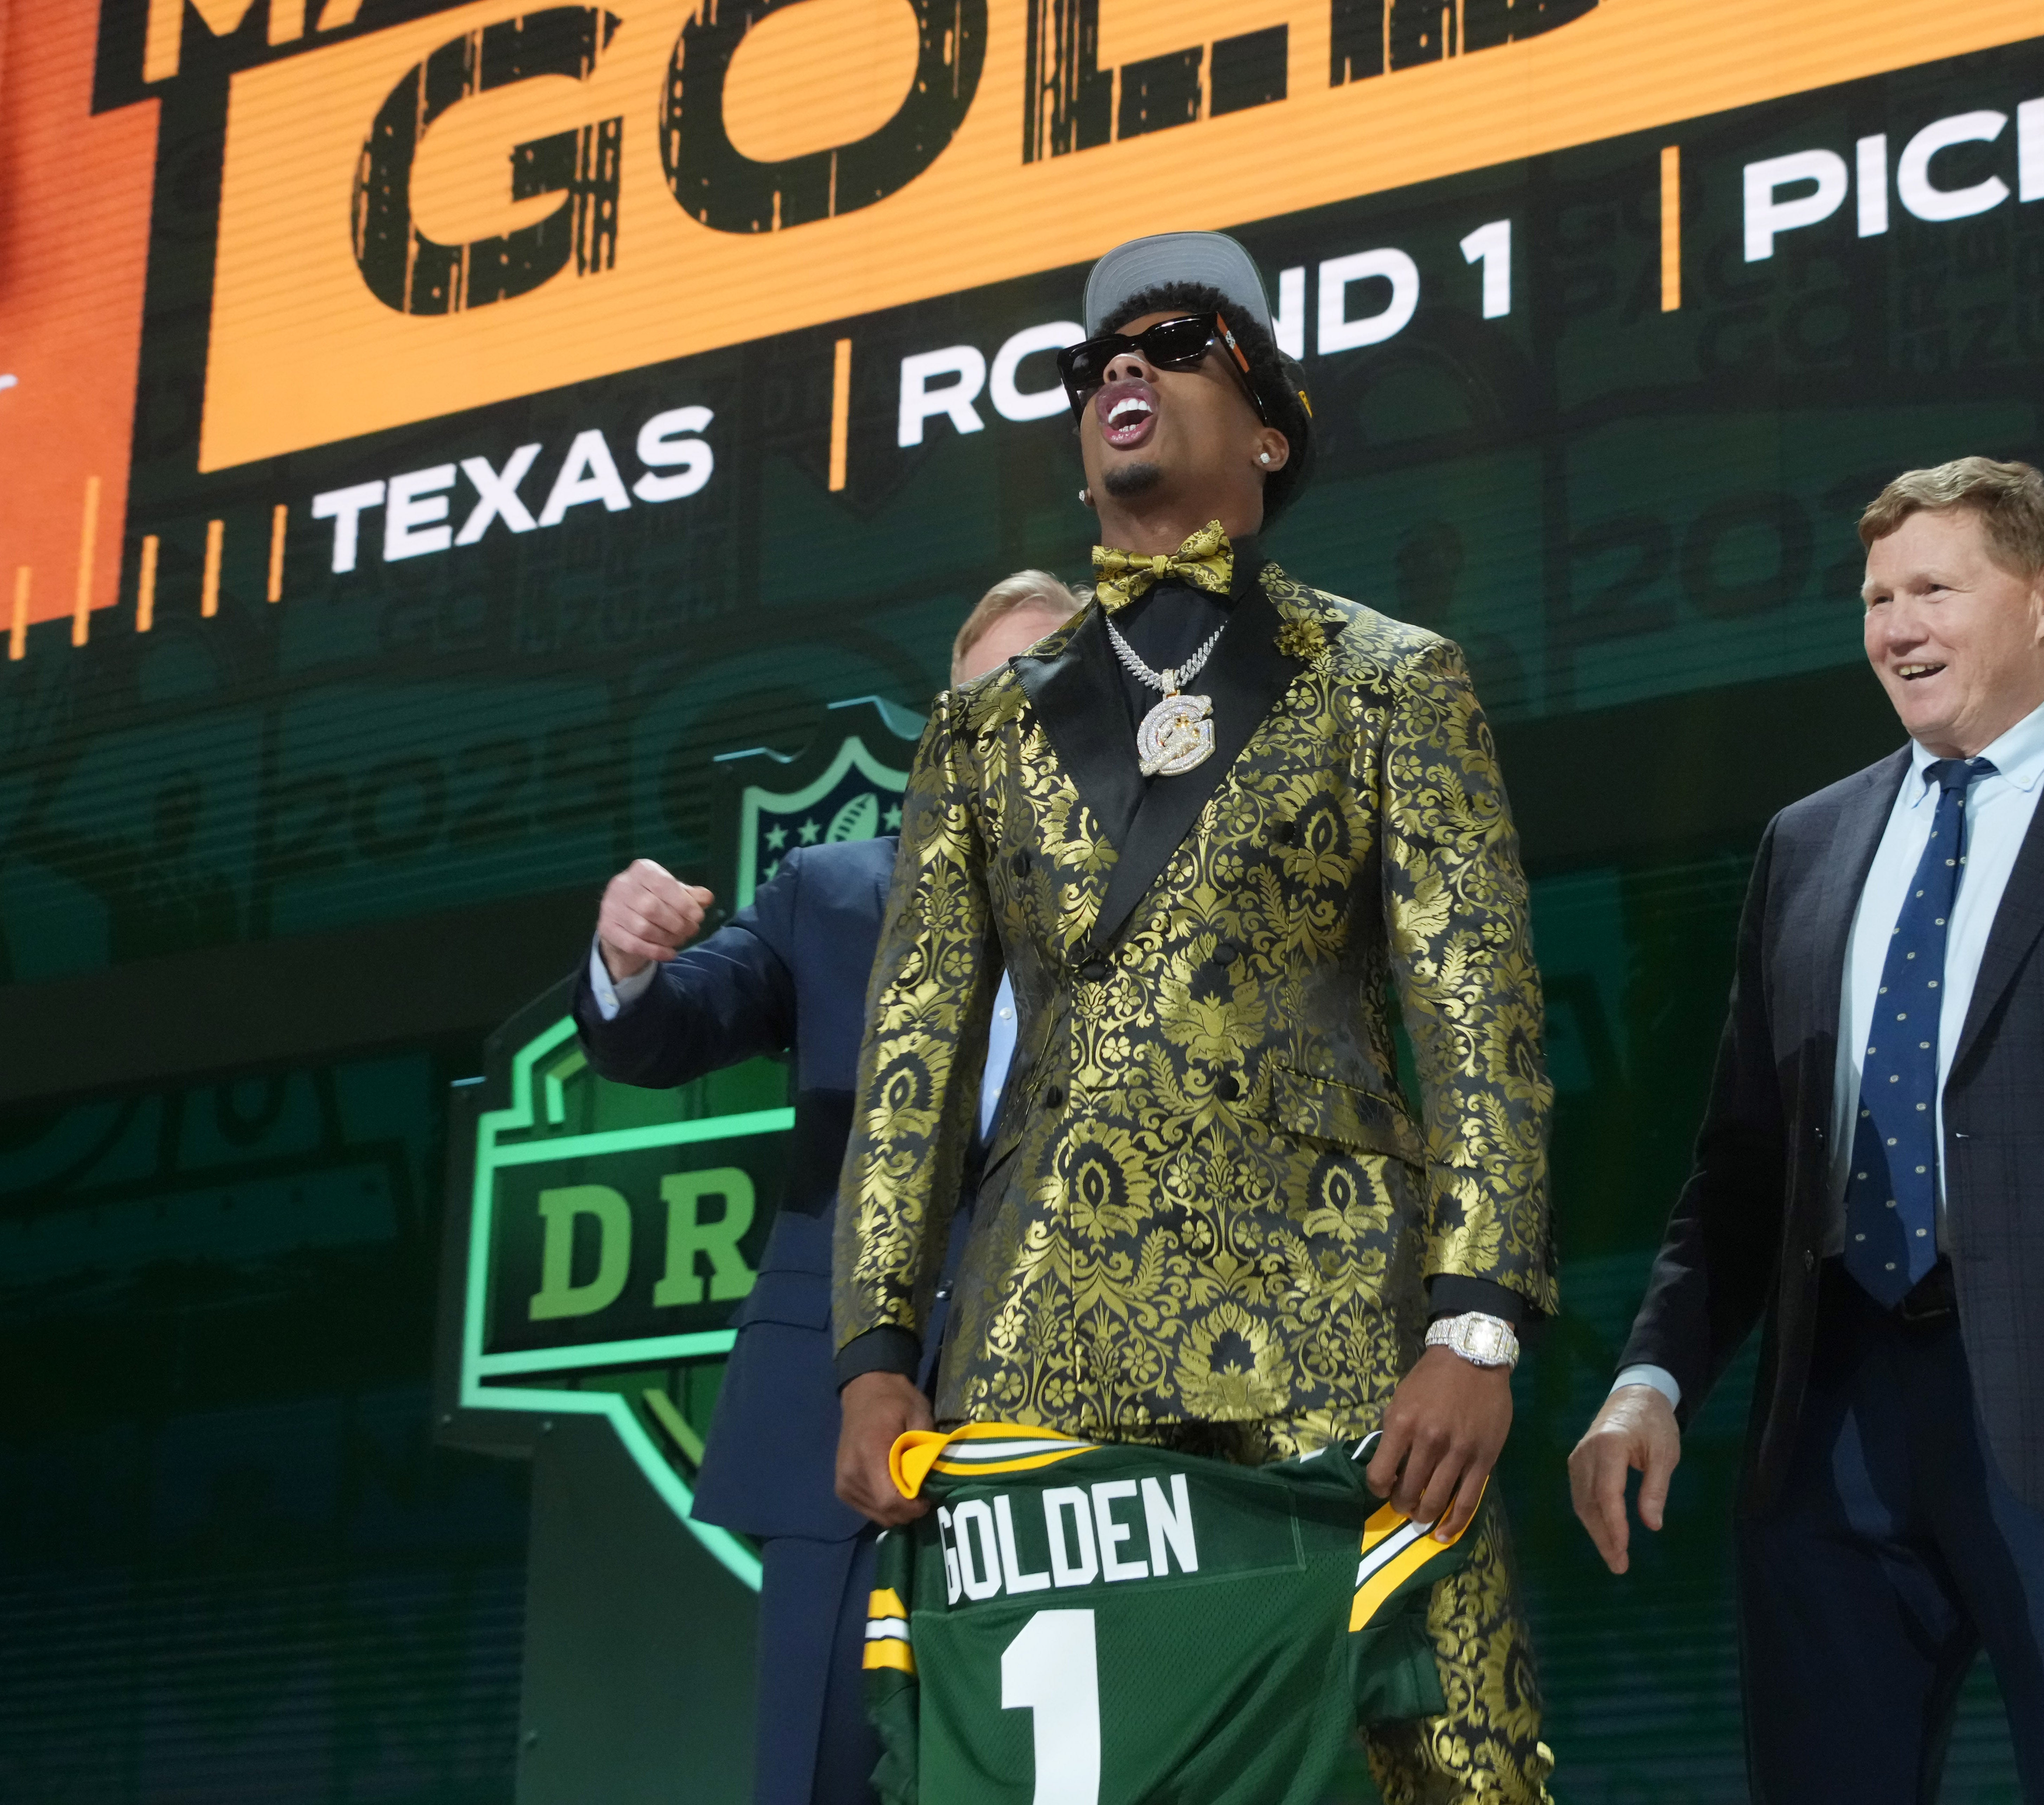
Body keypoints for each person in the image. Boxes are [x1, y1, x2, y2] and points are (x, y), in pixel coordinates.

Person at [828, 230, 1558, 1803]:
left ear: (1269, 426)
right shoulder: (976, 731)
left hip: (1340, 1315)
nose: (1120, 376)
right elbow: (912, 1061)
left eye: (1168, 345)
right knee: (1044, 1776)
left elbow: (1480, 1019)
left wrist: (1475, 1324)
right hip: (1039, 1333)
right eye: (1094, 365)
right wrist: (877, 1349)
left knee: (1444, 1756)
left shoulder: (1389, 679)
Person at [1567, 458, 2044, 1803]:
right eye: (1874, 598)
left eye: (1932, 588)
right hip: (1833, 1444)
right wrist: (1653, 1381)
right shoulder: (1805, 844)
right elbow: (1743, 1171)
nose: (1893, 627)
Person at [573, 571, 1077, 1805]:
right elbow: (668, 1033)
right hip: (846, 1442)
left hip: (1070, 1436)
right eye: (980, 700)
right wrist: (626, 961)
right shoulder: (835, 894)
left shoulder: (1157, 911)